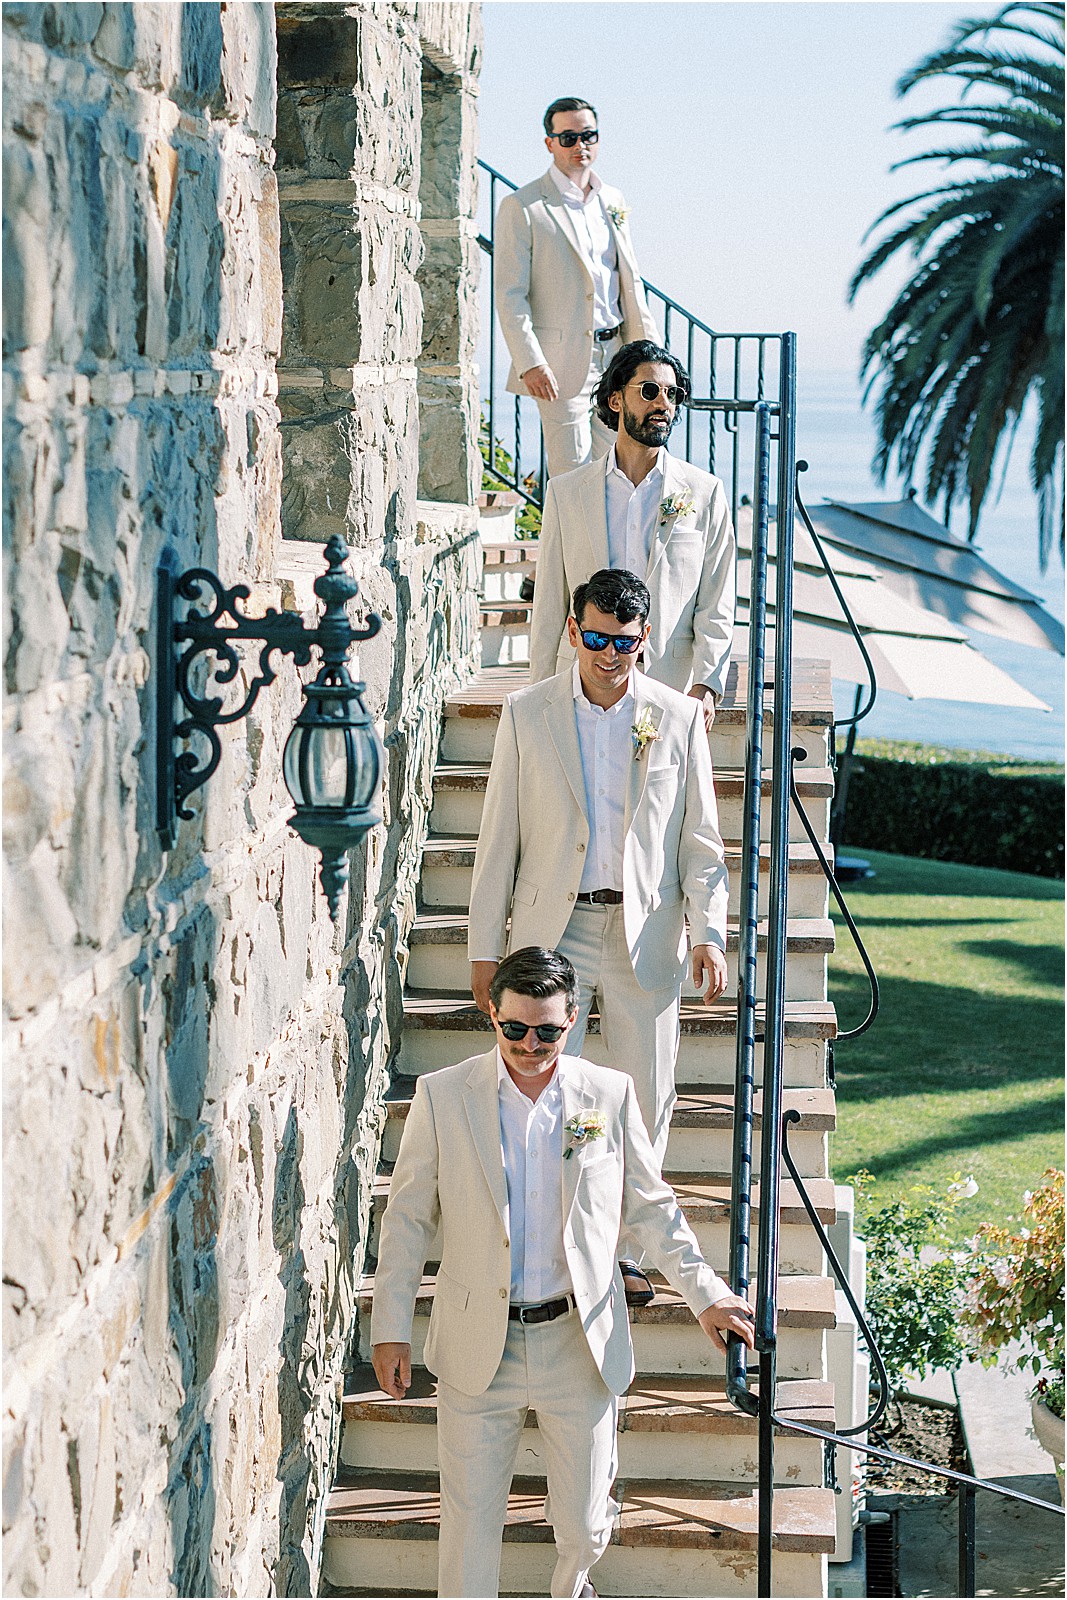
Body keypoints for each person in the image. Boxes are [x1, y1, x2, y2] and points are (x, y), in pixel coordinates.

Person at [370, 946, 756, 1600]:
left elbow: (651, 1207)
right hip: (474, 1345)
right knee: (468, 1524)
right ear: (491, 1014)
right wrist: (391, 1327)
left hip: (577, 1340)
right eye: (513, 1027)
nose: (529, 1043)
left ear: (572, 1019)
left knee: (581, 1525)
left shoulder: (600, 1097)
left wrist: (706, 1295)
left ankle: (572, 1588)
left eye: (546, 1030)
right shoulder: (443, 1097)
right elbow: (406, 1219)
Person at [468, 567, 728, 1184]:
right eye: (595, 638)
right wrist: (485, 952)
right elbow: (498, 842)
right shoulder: (527, 713)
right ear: (573, 630)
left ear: (643, 640)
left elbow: (701, 842)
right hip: (553, 932)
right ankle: (562, 1241)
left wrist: (708, 934)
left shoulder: (679, 717)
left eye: (624, 642)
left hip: (649, 931)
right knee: (546, 1092)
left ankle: (630, 1249)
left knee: (647, 1099)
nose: (608, 655)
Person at [528, 340, 736, 730]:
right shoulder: (567, 492)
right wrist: (541, 690)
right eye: (649, 390)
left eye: (672, 394)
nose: (663, 403)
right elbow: (550, 603)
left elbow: (717, 600)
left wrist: (707, 684)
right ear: (616, 400)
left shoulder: (704, 493)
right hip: (580, 678)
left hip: (669, 686)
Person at [494, 97, 657, 479]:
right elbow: (509, 293)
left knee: (614, 470)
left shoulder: (612, 200)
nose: (579, 145)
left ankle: (600, 543)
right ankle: (561, 542)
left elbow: (630, 280)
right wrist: (529, 361)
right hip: (558, 361)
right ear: (549, 142)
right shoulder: (523, 206)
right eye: (568, 137)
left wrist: (646, 351)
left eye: (587, 135)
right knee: (570, 475)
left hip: (617, 354)